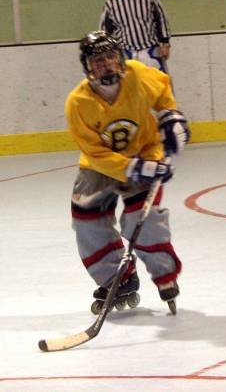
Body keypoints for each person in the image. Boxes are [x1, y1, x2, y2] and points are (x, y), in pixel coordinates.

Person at [65, 30, 189, 314]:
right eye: (98, 60)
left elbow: (162, 90)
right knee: (86, 218)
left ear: (120, 58)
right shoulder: (78, 102)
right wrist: (132, 169)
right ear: (87, 67)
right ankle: (116, 279)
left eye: (110, 56)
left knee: (140, 221)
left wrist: (171, 115)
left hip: (145, 152)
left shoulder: (138, 74)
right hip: (101, 165)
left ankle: (164, 274)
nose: (106, 64)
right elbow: (95, 153)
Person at [99, 0, 171, 73]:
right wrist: (107, 55)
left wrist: (164, 44)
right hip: (126, 53)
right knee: (131, 86)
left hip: (150, 50)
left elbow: (161, 19)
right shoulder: (111, 5)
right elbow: (105, 32)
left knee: (159, 83)